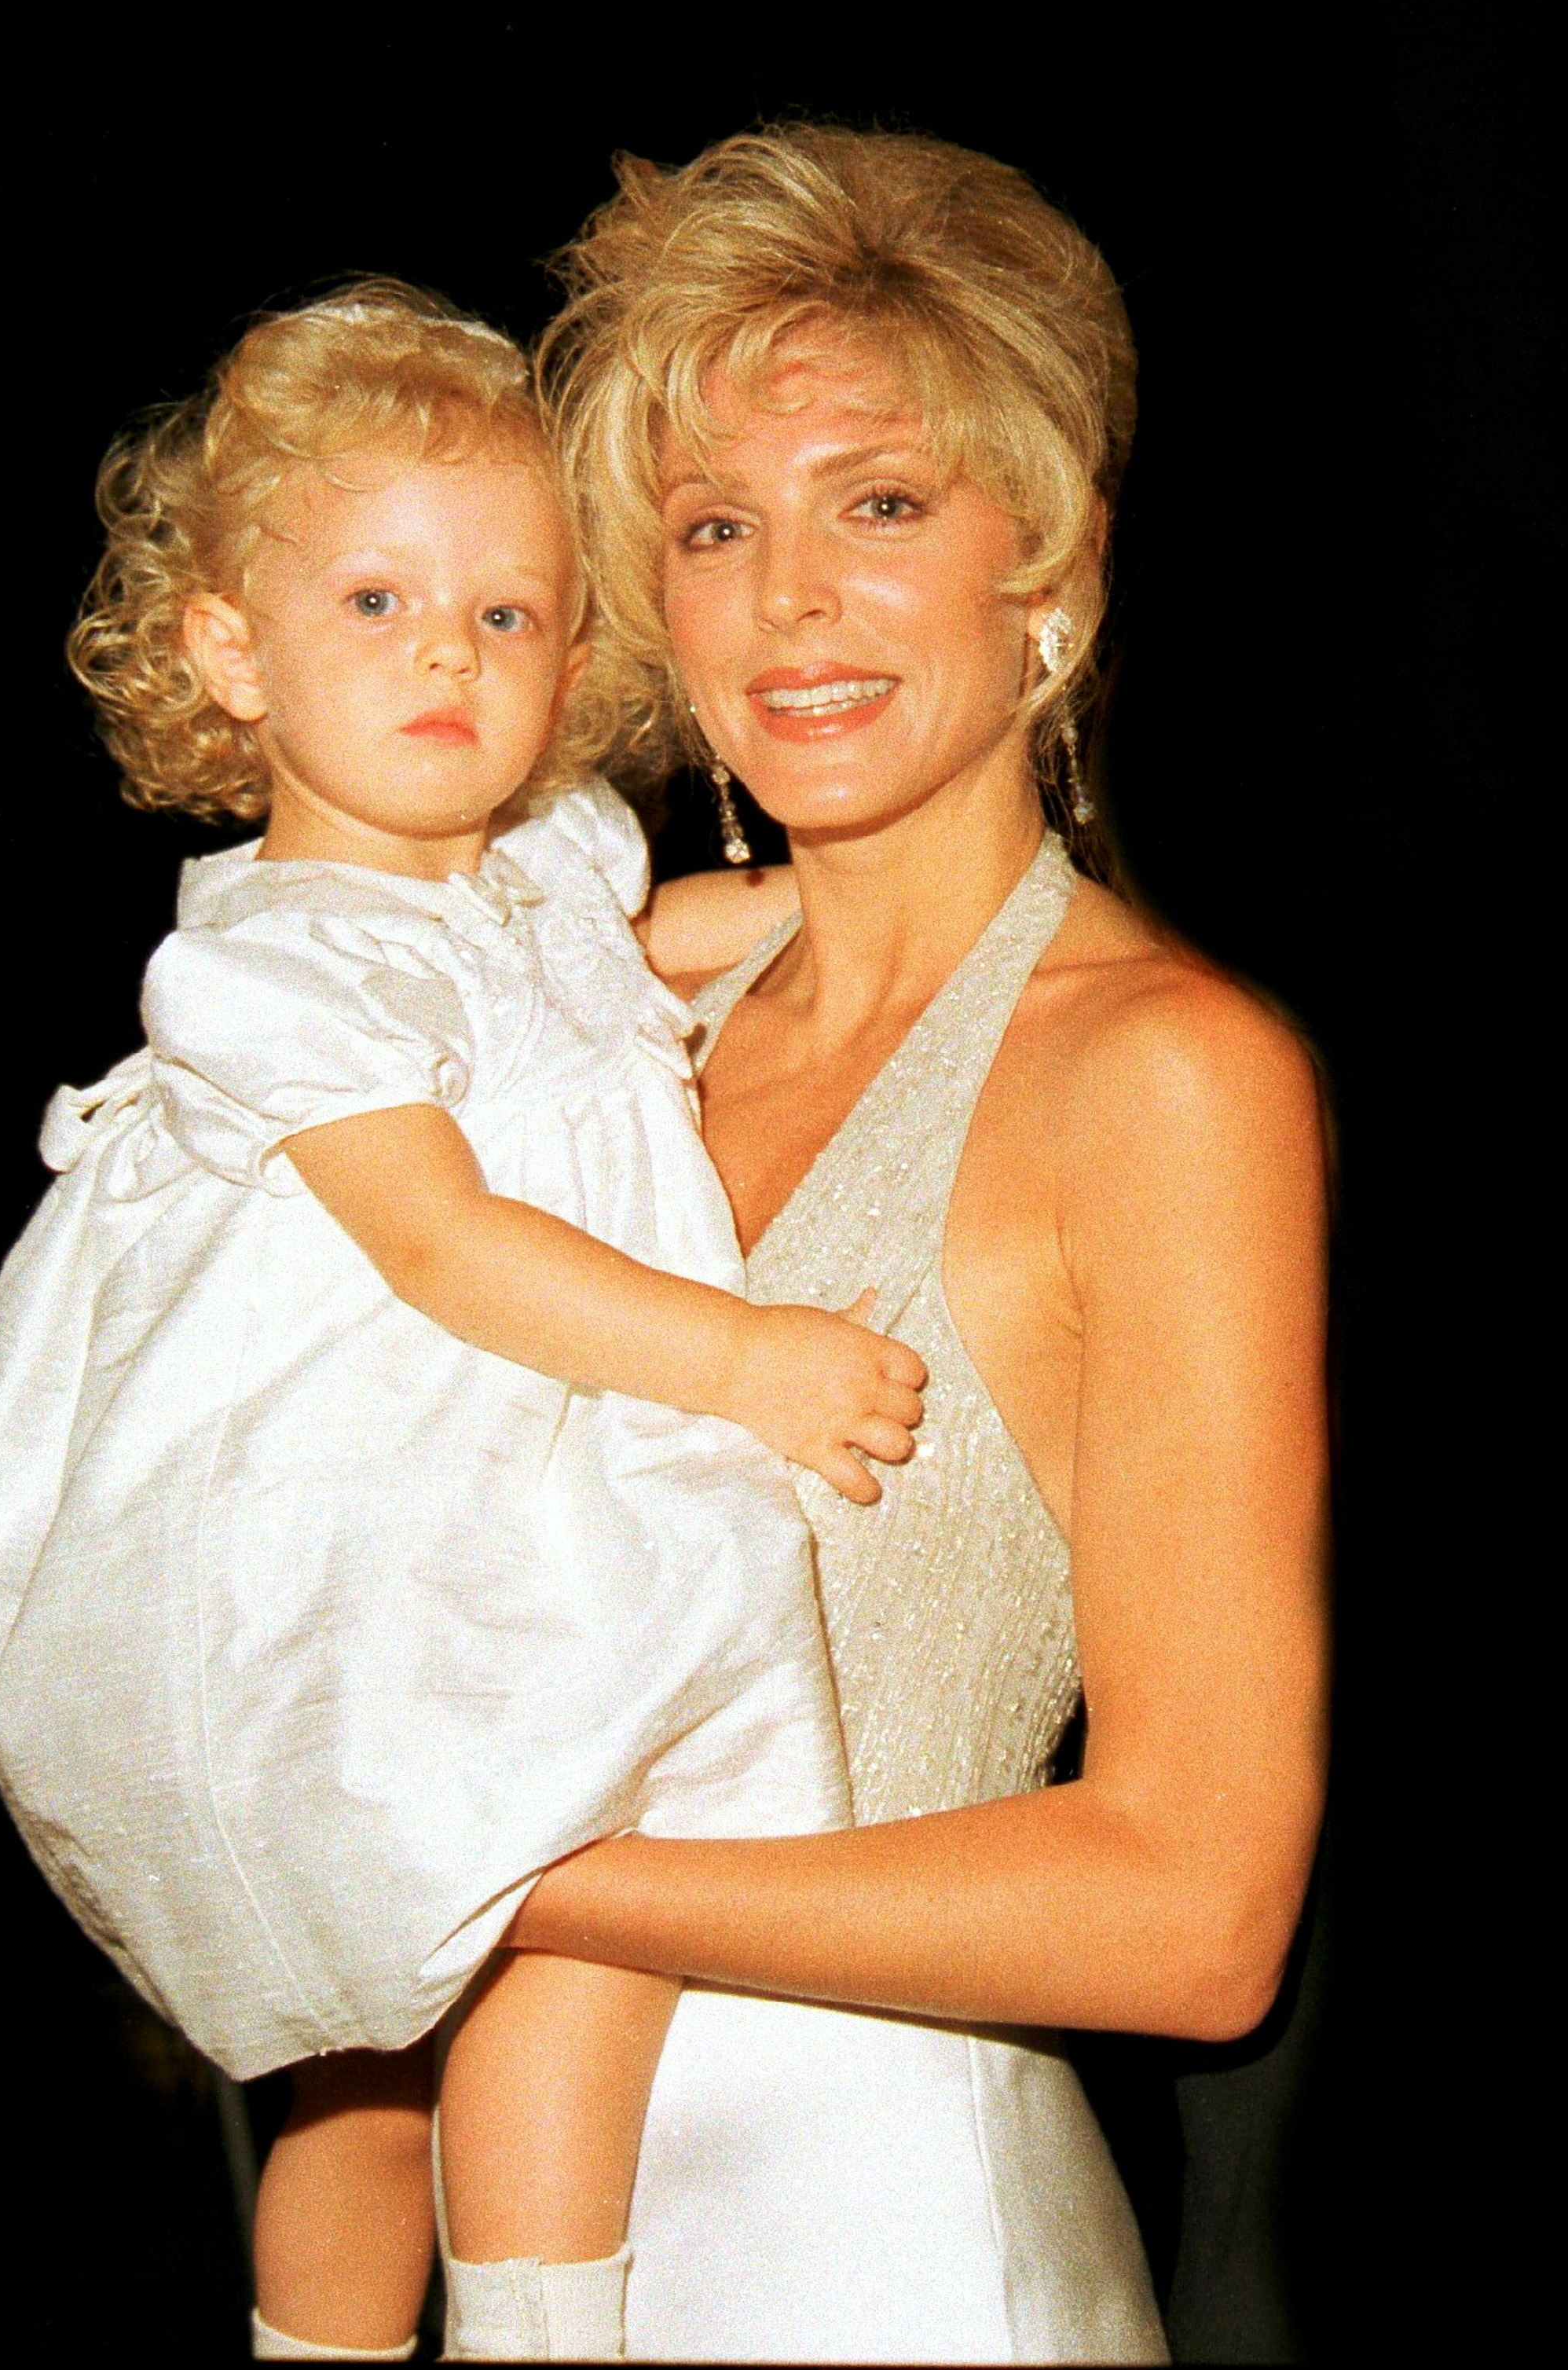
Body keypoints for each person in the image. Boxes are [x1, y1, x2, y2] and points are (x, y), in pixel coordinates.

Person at [0, 282, 930, 2361]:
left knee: (563, 1967)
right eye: (376, 602)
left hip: (534, 1482)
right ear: (229, 652)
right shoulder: (278, 966)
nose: (447, 659)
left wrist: (790, 916)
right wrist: (742, 1359)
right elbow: (452, 1242)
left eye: (504, 614)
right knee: (383, 2067)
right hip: (367, 1530)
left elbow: (598, 988)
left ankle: (538, 2318)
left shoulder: (542, 864)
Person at [489, 123, 1332, 2361]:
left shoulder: (1156, 1072)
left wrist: (517, 1886)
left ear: (1042, 568)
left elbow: (1195, 1906)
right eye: (713, 527)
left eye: (879, 503)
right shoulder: (602, 1041)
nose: (790, 600)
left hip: (881, 2253)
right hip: (507, 2215)